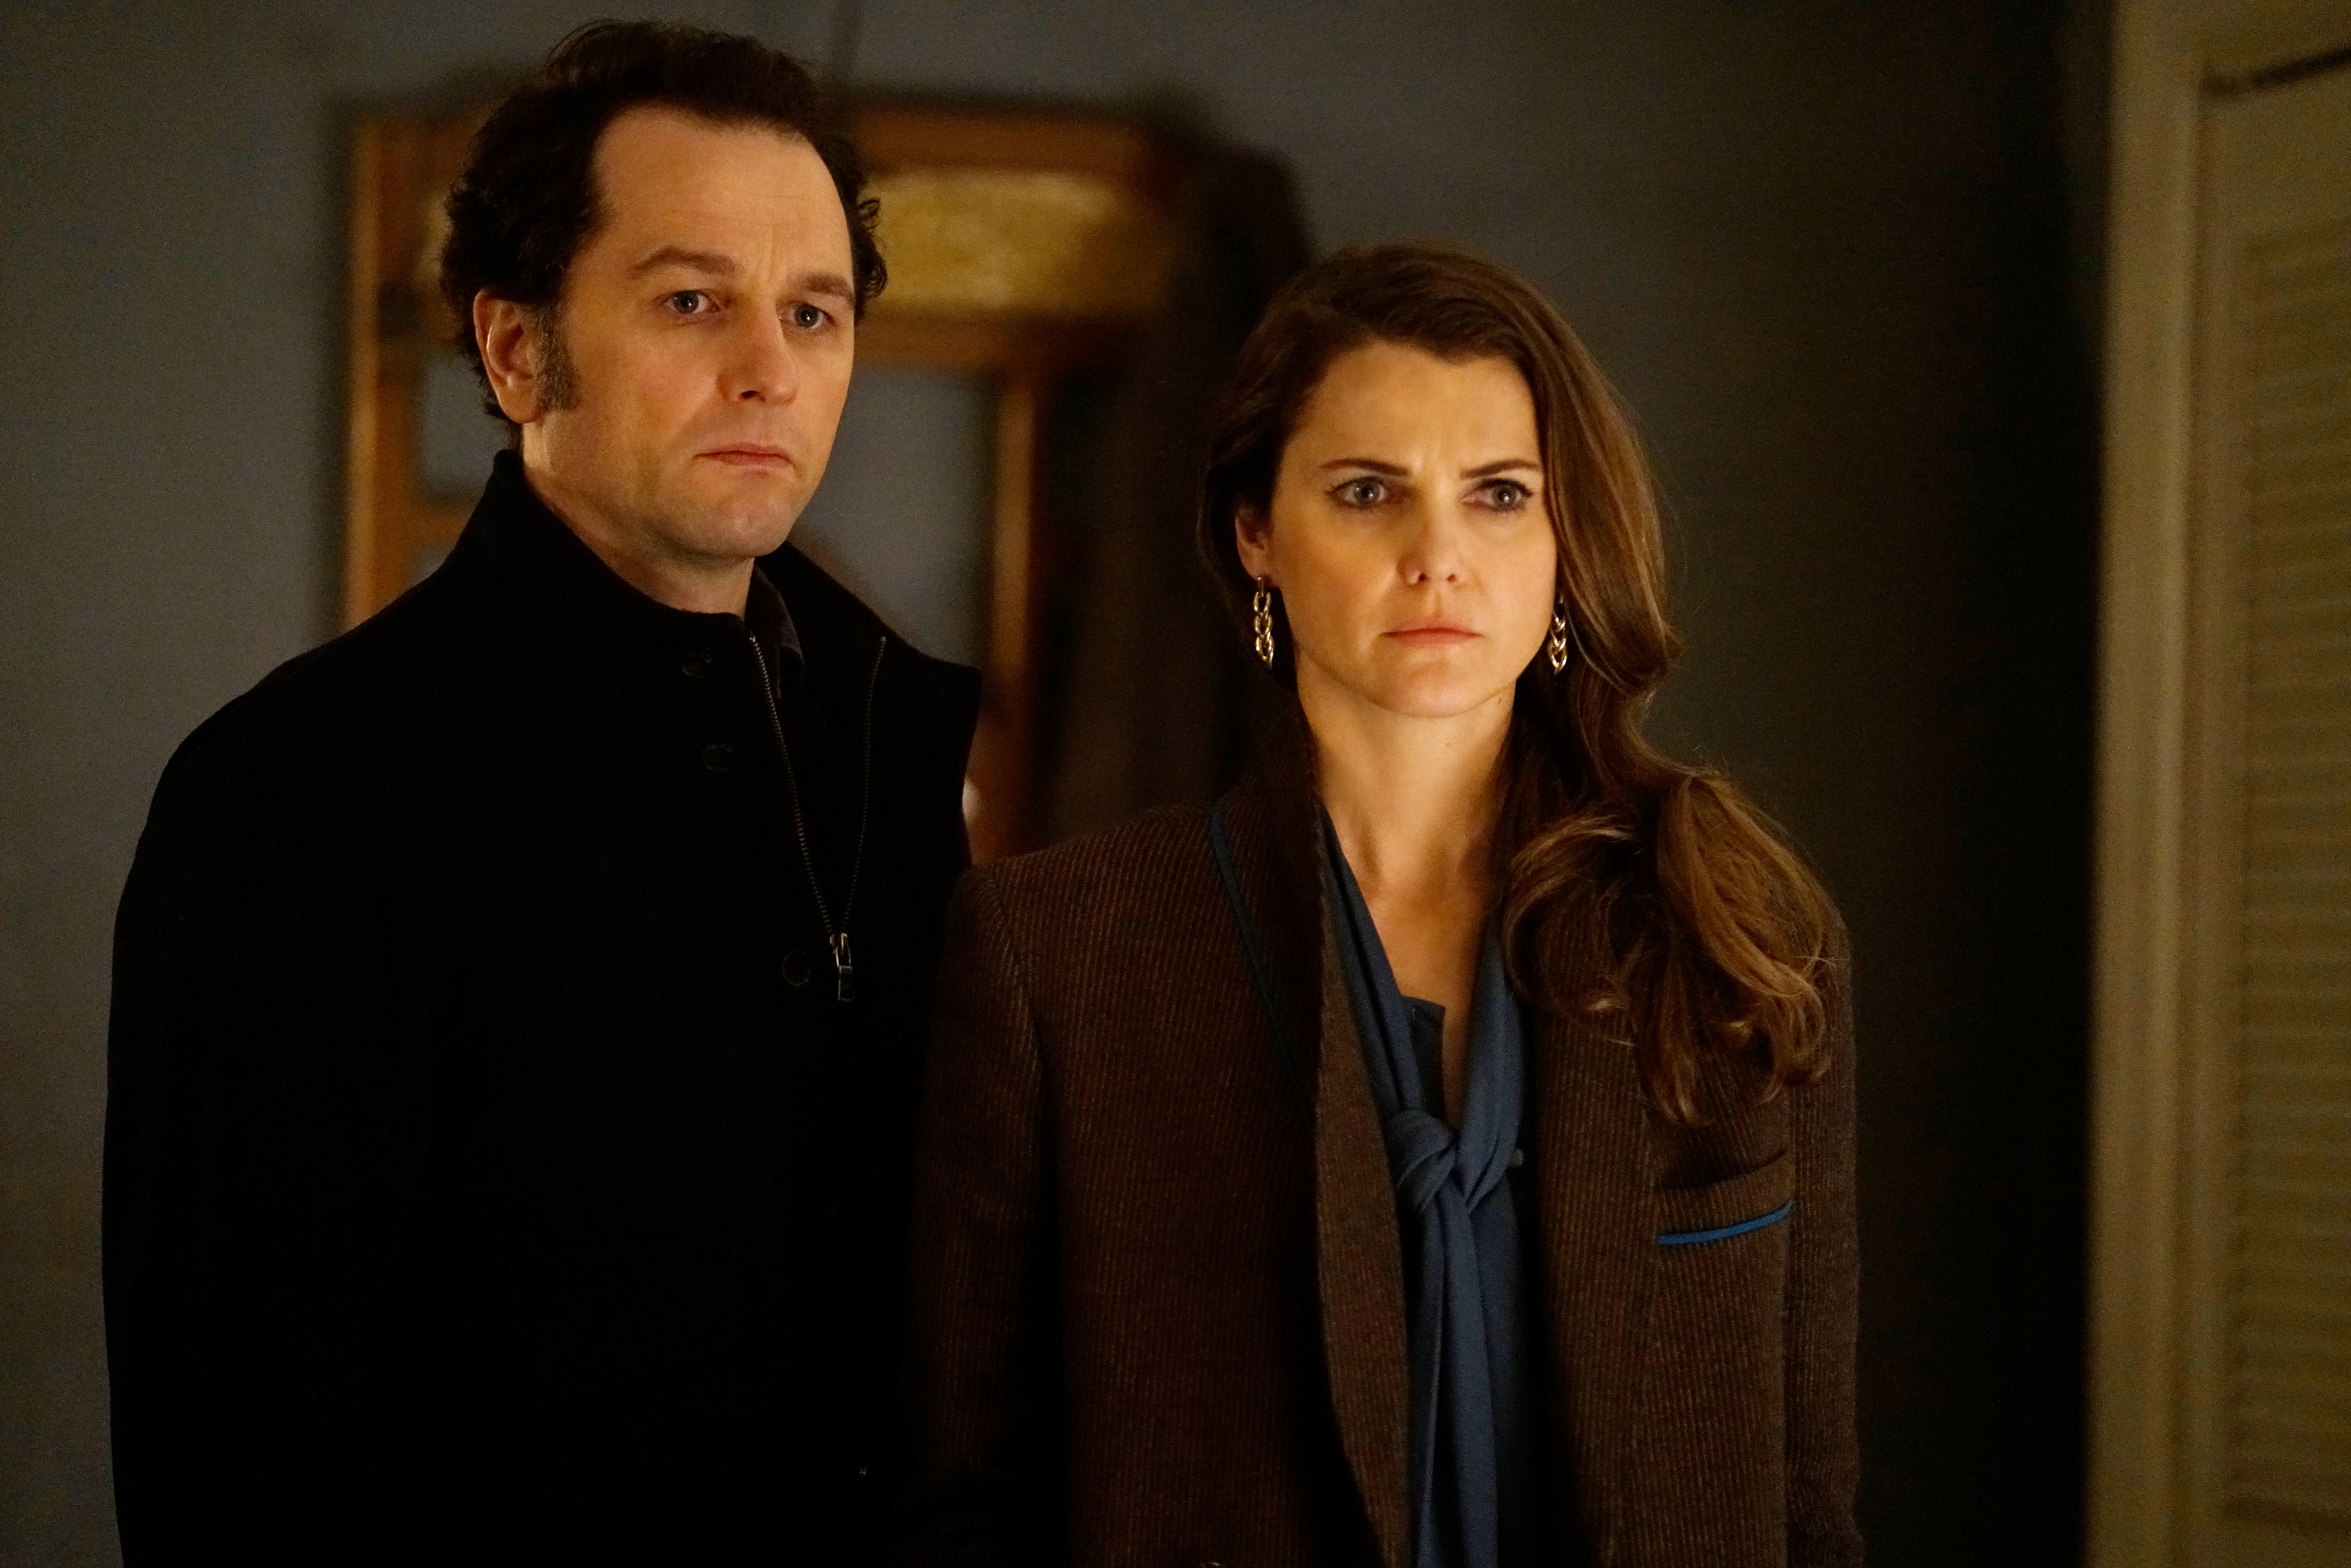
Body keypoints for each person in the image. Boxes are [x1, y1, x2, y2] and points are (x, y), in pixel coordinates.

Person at [103, 23, 978, 1562]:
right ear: (518, 353)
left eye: (815, 311)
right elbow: (238, 1447)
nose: (771, 367)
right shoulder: (307, 787)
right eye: (692, 300)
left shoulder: (892, 749)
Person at [904, 243, 1860, 1566]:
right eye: (1366, 492)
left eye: (1497, 494)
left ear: (1562, 534)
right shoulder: (1058, 950)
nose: (1436, 555)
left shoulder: (1731, 933)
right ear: (1257, 534)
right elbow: (969, 1492)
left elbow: (1806, 1491)